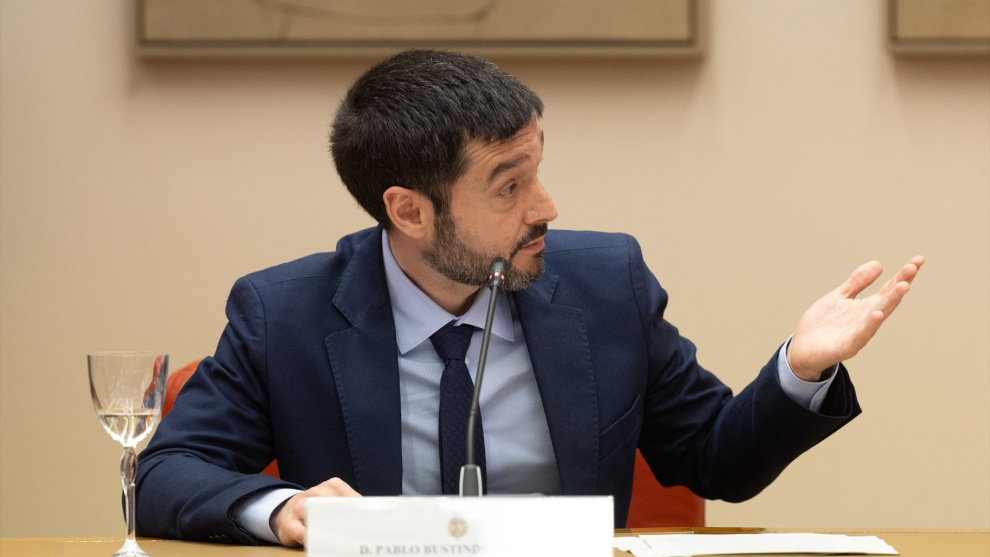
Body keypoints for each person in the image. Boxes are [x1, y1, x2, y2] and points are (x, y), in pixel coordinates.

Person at [135, 49, 923, 547]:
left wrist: (800, 369)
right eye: (509, 186)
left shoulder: (606, 283)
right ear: (409, 211)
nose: (546, 206)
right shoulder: (286, 314)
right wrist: (279, 509)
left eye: (537, 170)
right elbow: (165, 472)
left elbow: (717, 457)